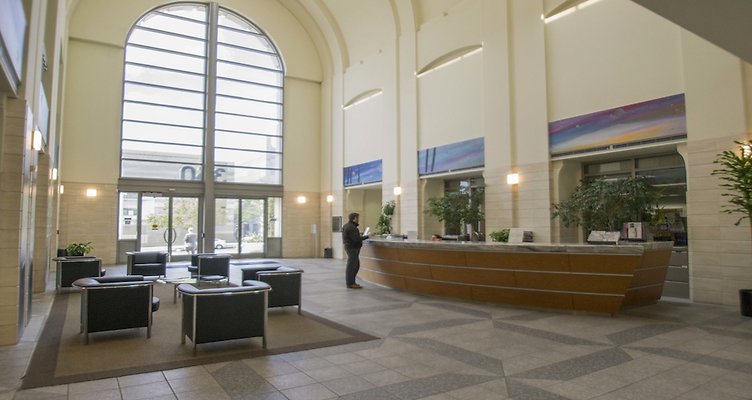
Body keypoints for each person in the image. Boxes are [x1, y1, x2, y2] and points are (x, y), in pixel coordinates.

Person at [342, 212, 371, 289]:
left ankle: (352, 282)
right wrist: (368, 236)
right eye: (358, 218)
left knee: (356, 265)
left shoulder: (347, 226)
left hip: (350, 247)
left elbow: (354, 237)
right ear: (354, 218)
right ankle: (350, 283)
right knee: (352, 266)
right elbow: (356, 239)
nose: (359, 220)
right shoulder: (352, 227)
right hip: (352, 248)